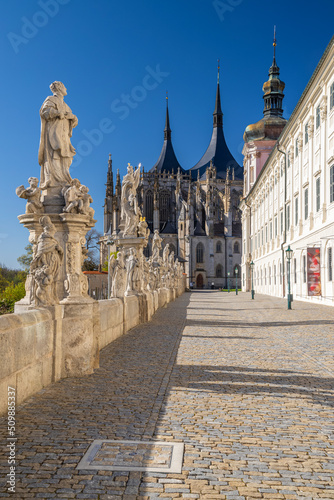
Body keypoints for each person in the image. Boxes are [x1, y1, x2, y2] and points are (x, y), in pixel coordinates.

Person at [38, 81, 78, 188]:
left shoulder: (66, 105)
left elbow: (74, 121)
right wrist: (57, 113)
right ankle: (53, 181)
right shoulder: (51, 99)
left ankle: (64, 178)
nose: (66, 89)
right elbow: (44, 112)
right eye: (64, 87)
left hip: (64, 134)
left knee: (66, 157)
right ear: (59, 88)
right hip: (54, 133)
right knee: (54, 154)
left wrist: (73, 118)